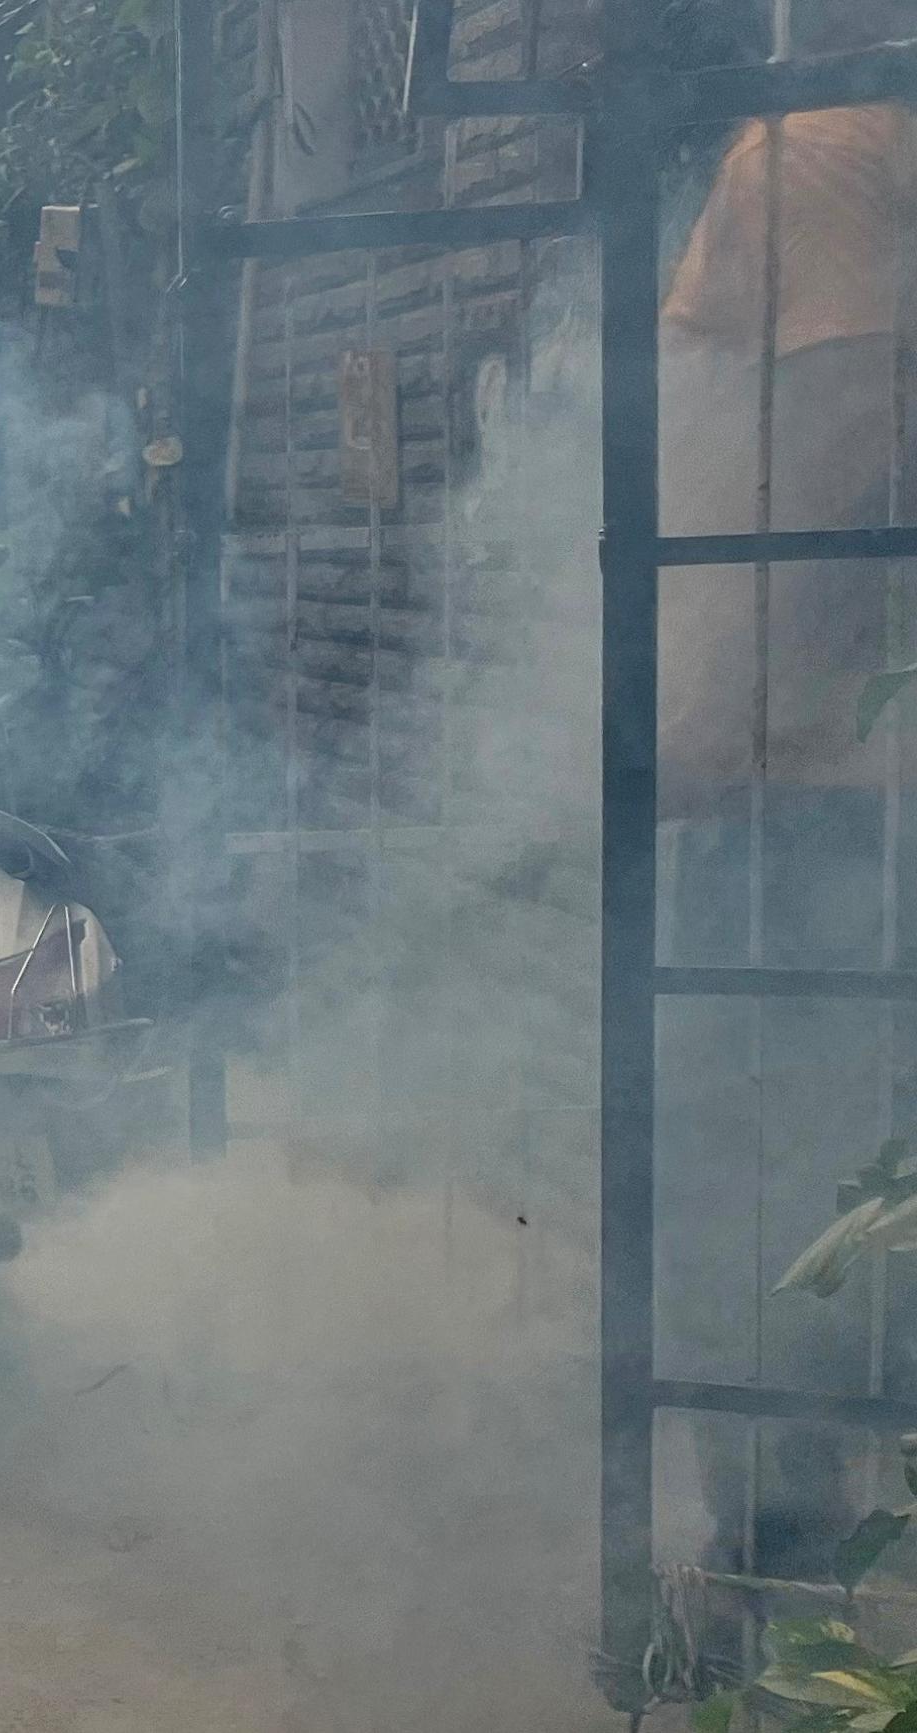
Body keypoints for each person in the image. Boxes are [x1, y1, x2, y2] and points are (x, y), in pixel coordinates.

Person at [652, 0, 917, 1598]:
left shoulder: (813, 149)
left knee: (753, 1152)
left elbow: (835, 435)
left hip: (816, 782)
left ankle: (784, 1560)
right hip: (861, 766)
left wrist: (717, 728)